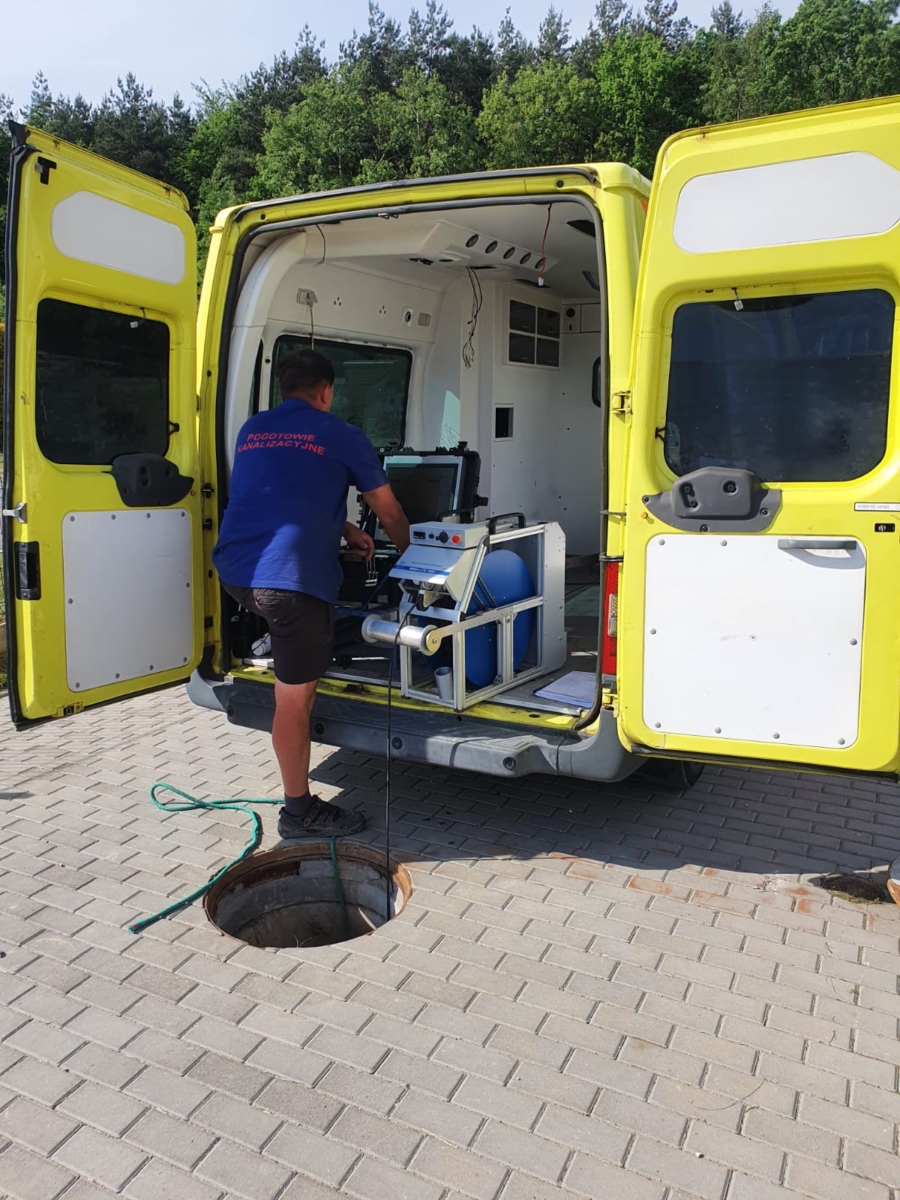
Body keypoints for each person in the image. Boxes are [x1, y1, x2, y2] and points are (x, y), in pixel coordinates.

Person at [213, 349, 410, 839]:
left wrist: (343, 527)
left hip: (237, 573)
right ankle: (298, 812)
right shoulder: (343, 435)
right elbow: (389, 513)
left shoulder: (253, 429)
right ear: (327, 391)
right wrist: (420, 563)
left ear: (284, 390)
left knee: (294, 635)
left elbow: (280, 492)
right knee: (294, 701)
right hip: (289, 585)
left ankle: (283, 645)